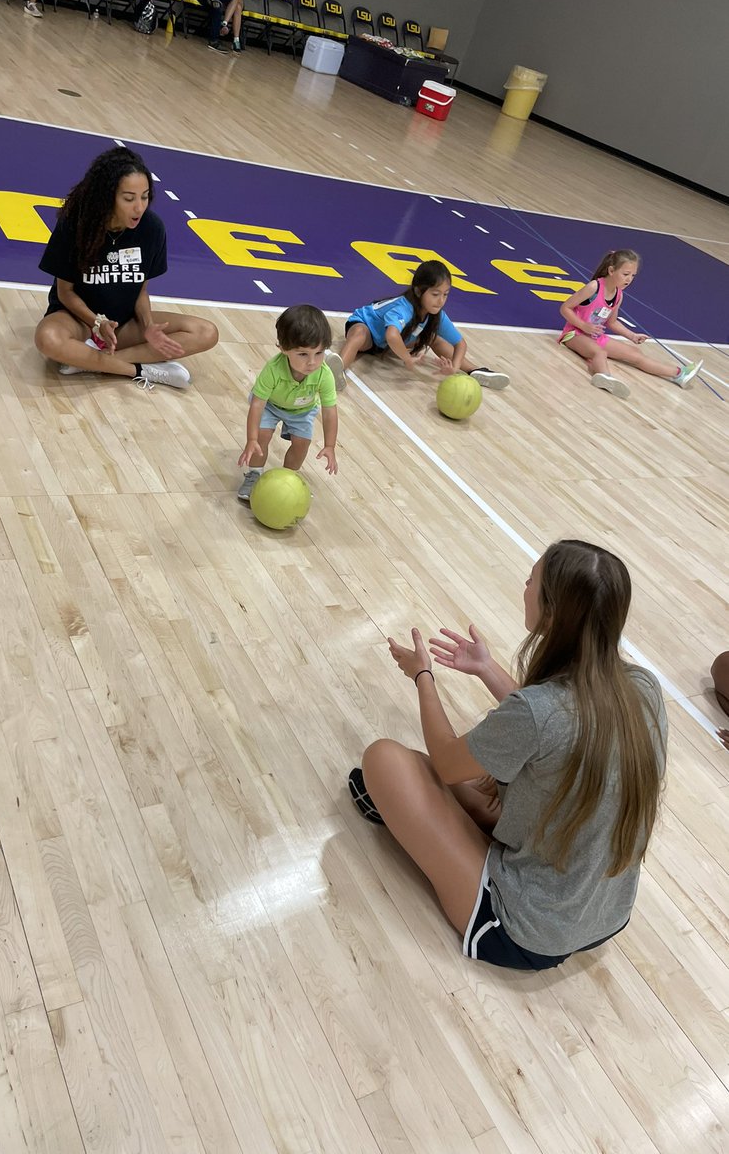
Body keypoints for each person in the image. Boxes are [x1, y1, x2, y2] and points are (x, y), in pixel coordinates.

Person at [348, 540, 667, 970]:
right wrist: (486, 668)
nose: (525, 585)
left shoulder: (537, 712)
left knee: (386, 760)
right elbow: (558, 730)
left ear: (553, 612)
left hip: (524, 932)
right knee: (473, 772)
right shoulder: (644, 688)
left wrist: (423, 676)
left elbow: (445, 759)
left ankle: (407, 816)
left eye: (531, 581)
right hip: (607, 914)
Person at [35, 148, 218, 387]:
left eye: (145, 196)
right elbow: (65, 292)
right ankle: (138, 370)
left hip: (123, 324)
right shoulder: (75, 225)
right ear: (108, 196)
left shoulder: (152, 229)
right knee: (47, 338)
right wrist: (97, 323)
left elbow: (140, 291)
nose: (139, 207)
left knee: (207, 332)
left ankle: (89, 360)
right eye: (129, 198)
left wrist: (148, 325)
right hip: (78, 321)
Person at [327, 260, 510, 394]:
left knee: (433, 338)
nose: (441, 301)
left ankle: (474, 370)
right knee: (359, 335)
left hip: (392, 342)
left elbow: (460, 344)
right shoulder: (403, 307)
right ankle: (337, 370)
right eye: (435, 294)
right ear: (418, 290)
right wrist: (406, 358)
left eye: (445, 294)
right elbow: (391, 335)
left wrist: (453, 367)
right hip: (368, 330)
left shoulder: (437, 315)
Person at [559, 249, 703, 399]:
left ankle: (679, 374)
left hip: (595, 336)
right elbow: (565, 308)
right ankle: (605, 377)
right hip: (574, 334)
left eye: (633, 275)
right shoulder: (593, 287)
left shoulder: (618, 295)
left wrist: (632, 335)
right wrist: (583, 326)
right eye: (625, 274)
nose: (629, 279)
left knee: (635, 353)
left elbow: (612, 322)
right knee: (600, 353)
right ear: (611, 270)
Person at [237, 305, 338, 501]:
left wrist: (330, 445)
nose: (312, 362)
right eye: (303, 354)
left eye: (319, 353)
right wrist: (251, 439)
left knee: (302, 444)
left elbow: (329, 411)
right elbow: (257, 405)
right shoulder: (273, 370)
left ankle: (288, 478)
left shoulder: (324, 374)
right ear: (283, 349)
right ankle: (254, 474)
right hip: (270, 406)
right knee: (262, 437)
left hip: (302, 410)